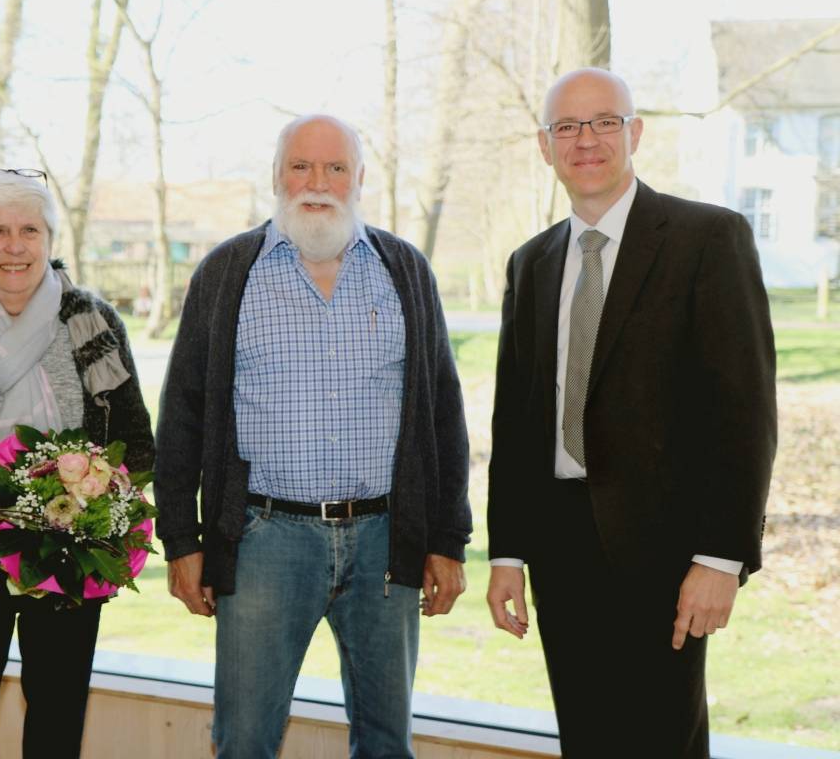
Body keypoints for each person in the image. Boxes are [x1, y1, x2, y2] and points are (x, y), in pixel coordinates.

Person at [154, 114, 472, 758]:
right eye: (301, 166)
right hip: (264, 541)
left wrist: (446, 538)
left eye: (334, 168)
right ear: (277, 177)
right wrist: (181, 541)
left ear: (359, 179)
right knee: (244, 740)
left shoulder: (404, 269)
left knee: (387, 743)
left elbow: (443, 412)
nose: (317, 182)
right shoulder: (226, 273)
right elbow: (182, 415)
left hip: (386, 540)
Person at [485, 68, 777, 758]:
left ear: (634, 132)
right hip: (560, 549)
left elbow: (745, 412)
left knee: (662, 741)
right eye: (567, 127)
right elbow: (516, 425)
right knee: (587, 738)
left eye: (604, 122)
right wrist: (508, 553)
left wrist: (720, 556)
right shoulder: (531, 264)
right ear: (544, 145)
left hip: (668, 552)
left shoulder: (708, 239)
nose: (586, 140)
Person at [0, 168, 154, 758]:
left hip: (67, 552)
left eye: (29, 230)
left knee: (57, 717)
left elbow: (136, 441)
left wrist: (104, 508)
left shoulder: (94, 324)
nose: (14, 246)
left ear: (50, 238)